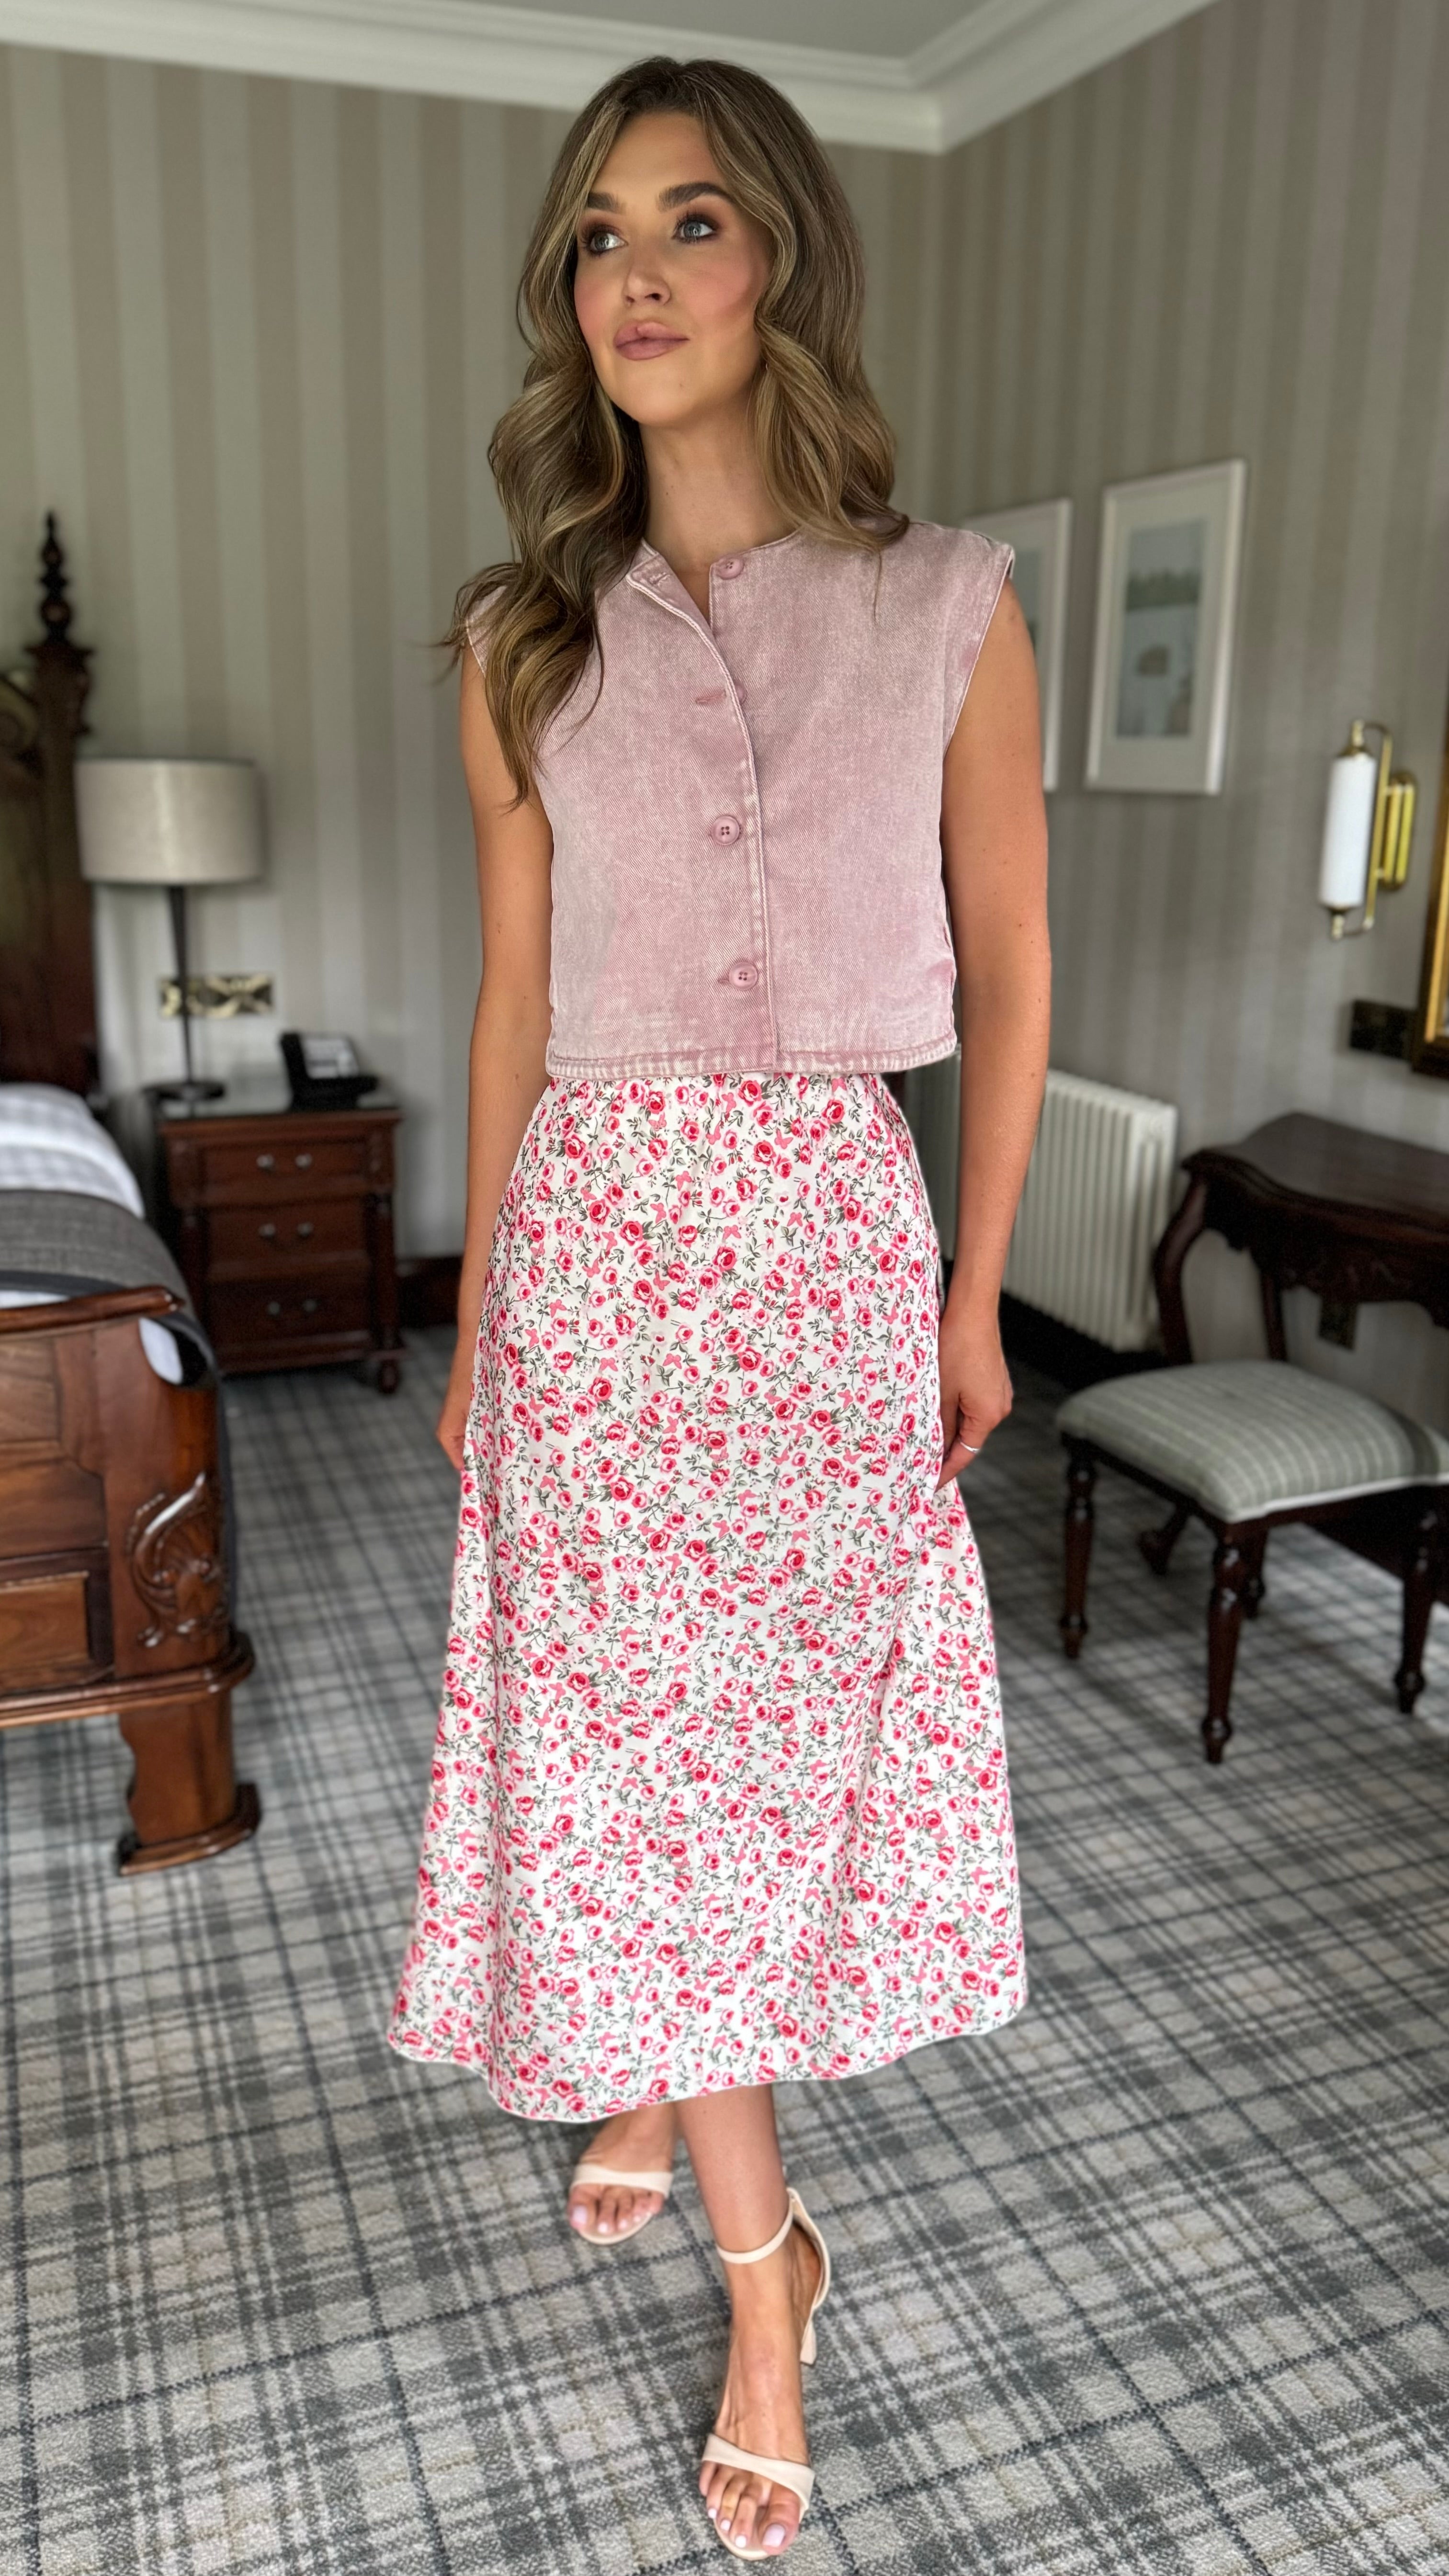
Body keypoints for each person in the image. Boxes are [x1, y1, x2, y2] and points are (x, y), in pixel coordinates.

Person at [387, 52, 1049, 2561]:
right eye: (596, 232)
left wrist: (979, 1293)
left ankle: (679, 2092)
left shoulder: (946, 604)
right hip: (596, 1250)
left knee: (770, 1747)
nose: (634, 274)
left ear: (780, 260)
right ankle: (773, 2281)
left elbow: (1011, 968)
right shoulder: (519, 642)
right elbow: (513, 1004)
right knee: (625, 1755)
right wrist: (478, 1314)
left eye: (688, 220)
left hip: (828, 1251)